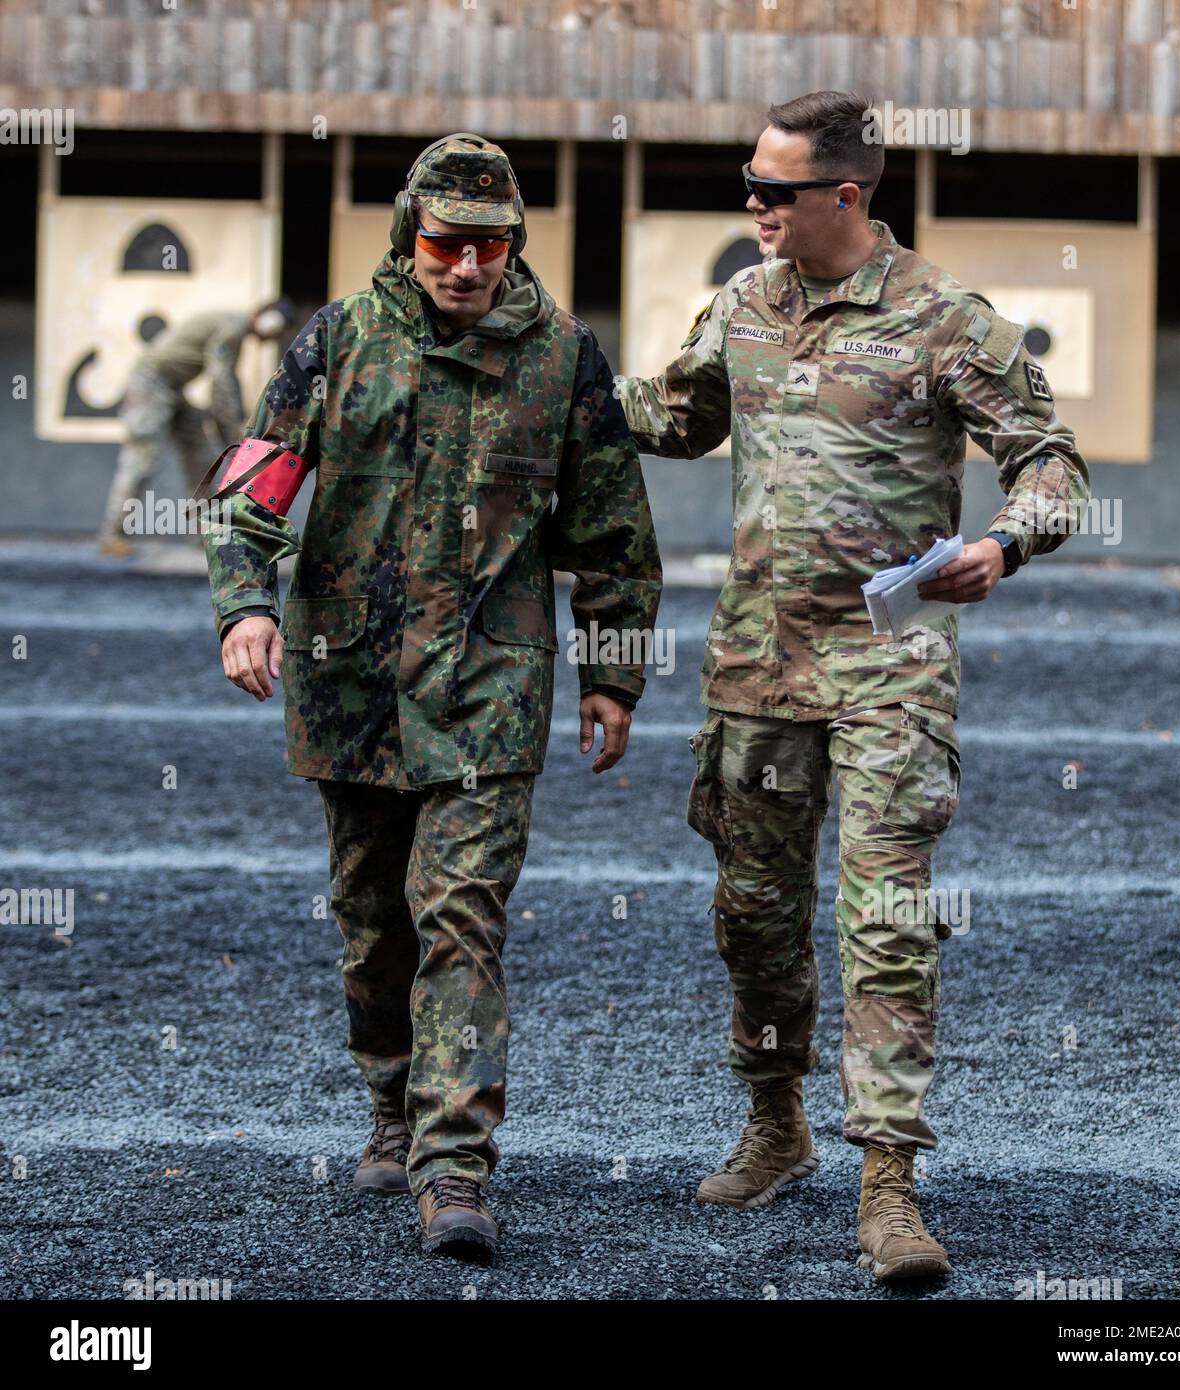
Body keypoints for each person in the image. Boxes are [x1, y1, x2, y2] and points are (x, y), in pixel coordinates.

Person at [616, 90, 1089, 1282]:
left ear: (846, 194)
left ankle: (890, 1184)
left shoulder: (944, 319)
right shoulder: (742, 304)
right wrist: (552, 385)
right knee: (757, 920)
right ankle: (778, 1123)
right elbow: (675, 418)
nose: (753, 205)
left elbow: (1050, 458)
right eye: (749, 184)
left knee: (885, 921)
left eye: (774, 190)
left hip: (892, 667)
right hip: (754, 668)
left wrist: (1007, 540)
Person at [202, 134, 661, 1265]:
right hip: (349, 682)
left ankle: (455, 1167)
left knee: (461, 918)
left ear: (514, 244)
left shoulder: (562, 360)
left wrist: (611, 673)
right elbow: (254, 482)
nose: (466, 266)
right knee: (372, 926)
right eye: (445, 244)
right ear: (408, 241)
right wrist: (243, 605)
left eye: (489, 245)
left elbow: (611, 532)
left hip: (487, 694)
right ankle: (391, 1104)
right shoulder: (339, 343)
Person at [98, 299, 294, 555]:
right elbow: (221, 381)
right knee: (140, 461)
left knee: (200, 459)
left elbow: (227, 381)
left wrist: (231, 429)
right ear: (269, 321)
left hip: (173, 389)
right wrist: (232, 429)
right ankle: (112, 535)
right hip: (151, 386)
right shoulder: (233, 326)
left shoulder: (233, 327)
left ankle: (202, 534)